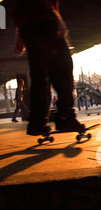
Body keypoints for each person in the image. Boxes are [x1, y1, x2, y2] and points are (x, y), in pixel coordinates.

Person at [13, 0, 85, 136]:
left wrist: (20, 35)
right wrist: (56, 17)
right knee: (63, 69)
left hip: (27, 27)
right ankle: (65, 117)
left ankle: (37, 123)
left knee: (40, 76)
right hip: (44, 21)